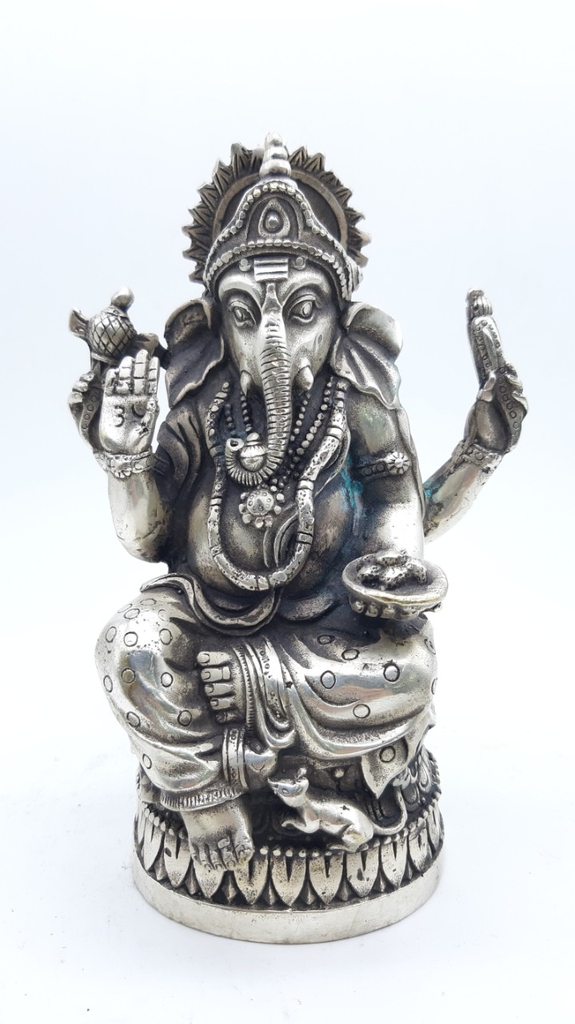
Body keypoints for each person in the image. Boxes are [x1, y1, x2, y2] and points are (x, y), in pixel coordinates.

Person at [70, 134, 526, 870]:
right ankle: (205, 793)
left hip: (327, 634)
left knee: (410, 669)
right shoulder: (203, 406)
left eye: (303, 310)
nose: (273, 340)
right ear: (214, 329)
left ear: (345, 324)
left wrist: (476, 457)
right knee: (128, 648)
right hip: (203, 618)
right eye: (245, 315)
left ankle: (236, 739)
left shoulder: (359, 404)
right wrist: (123, 455)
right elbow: (146, 539)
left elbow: (400, 511)